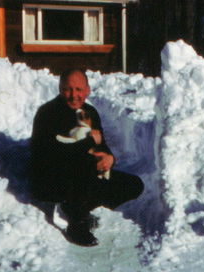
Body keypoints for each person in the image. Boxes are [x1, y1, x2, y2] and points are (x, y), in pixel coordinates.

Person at [29, 69, 144, 246]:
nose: (74, 95)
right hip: (54, 180)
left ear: (87, 90)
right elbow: (51, 156)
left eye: (79, 89)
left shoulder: (90, 112)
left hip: (86, 176)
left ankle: (77, 205)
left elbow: (101, 146)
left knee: (134, 185)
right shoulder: (47, 113)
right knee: (84, 166)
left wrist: (109, 159)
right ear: (60, 90)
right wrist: (88, 143)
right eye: (68, 89)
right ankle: (76, 223)